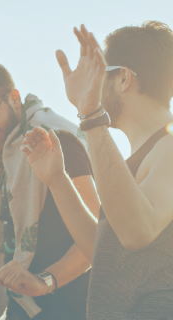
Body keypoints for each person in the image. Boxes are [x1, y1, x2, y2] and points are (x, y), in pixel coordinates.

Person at [21, 21, 173, 319]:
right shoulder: (141, 157)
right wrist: (56, 179)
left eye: (99, 75)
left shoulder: (169, 148)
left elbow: (136, 232)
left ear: (124, 79)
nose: (94, 85)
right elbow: (106, 254)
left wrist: (90, 115)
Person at [0, 62, 100, 320]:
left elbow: (97, 235)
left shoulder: (56, 140)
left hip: (64, 307)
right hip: (24, 304)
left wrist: (45, 282)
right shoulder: (14, 150)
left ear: (13, 98)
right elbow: (34, 203)